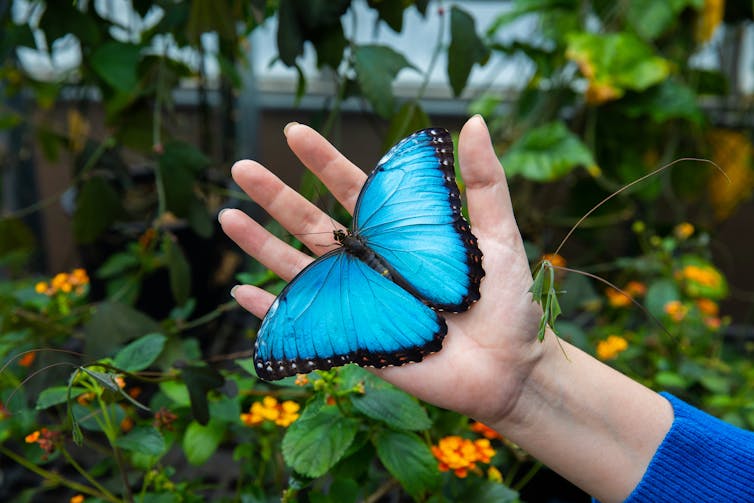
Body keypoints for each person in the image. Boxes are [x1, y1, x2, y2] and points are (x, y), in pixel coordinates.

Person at [218, 115, 754, 502]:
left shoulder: (323, 279)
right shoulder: (377, 209)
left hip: (399, 304)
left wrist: (527, 376)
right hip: (435, 268)